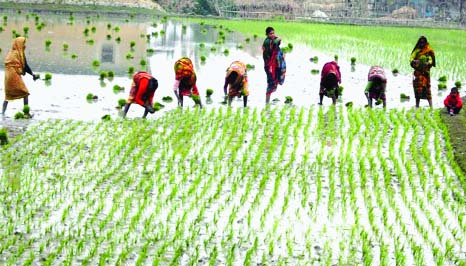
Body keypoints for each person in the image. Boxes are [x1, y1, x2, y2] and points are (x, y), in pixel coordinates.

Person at [2, 36, 39, 115]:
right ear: (19, 44)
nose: (24, 45)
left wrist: (32, 74)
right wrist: (33, 75)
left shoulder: (11, 53)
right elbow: (25, 66)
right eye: (23, 43)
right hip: (14, 76)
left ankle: (2, 114)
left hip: (7, 78)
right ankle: (26, 113)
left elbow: (24, 65)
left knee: (7, 96)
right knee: (25, 93)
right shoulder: (18, 54)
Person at [410, 36, 436, 108]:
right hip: (418, 73)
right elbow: (411, 57)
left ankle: (431, 107)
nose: (422, 44)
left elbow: (430, 59)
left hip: (425, 73)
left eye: (423, 42)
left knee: (427, 89)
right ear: (419, 43)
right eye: (420, 42)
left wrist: (428, 63)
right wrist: (414, 61)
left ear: (425, 43)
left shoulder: (428, 50)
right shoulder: (417, 50)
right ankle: (417, 106)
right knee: (417, 89)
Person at [262, 26, 286, 104]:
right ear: (267, 34)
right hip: (269, 67)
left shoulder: (272, 40)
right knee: (270, 83)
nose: (272, 35)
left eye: (273, 33)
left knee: (274, 82)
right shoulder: (267, 42)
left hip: (275, 66)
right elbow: (274, 43)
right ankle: (267, 102)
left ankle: (267, 102)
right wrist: (278, 39)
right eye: (270, 33)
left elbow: (276, 44)